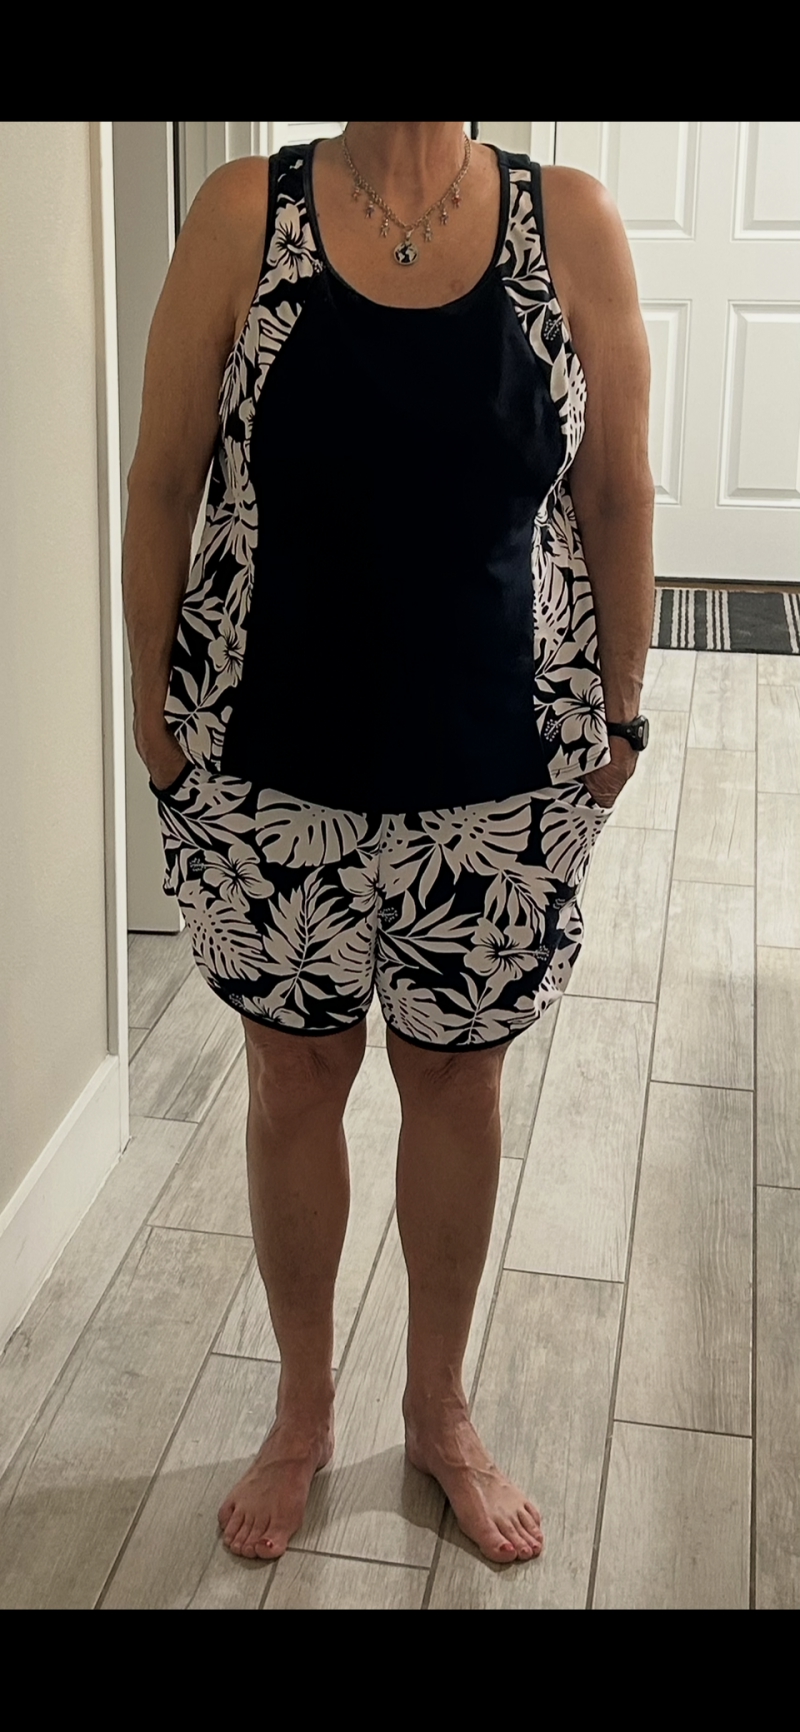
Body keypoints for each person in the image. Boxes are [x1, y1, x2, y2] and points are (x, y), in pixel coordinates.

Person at [123, 121, 654, 1568]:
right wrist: (152, 717)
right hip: (266, 763)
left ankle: (438, 1408)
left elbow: (616, 485)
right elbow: (164, 476)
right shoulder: (247, 213)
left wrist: (622, 711)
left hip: (500, 768)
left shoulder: (569, 223)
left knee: (457, 1080)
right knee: (295, 1077)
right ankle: (302, 1410)